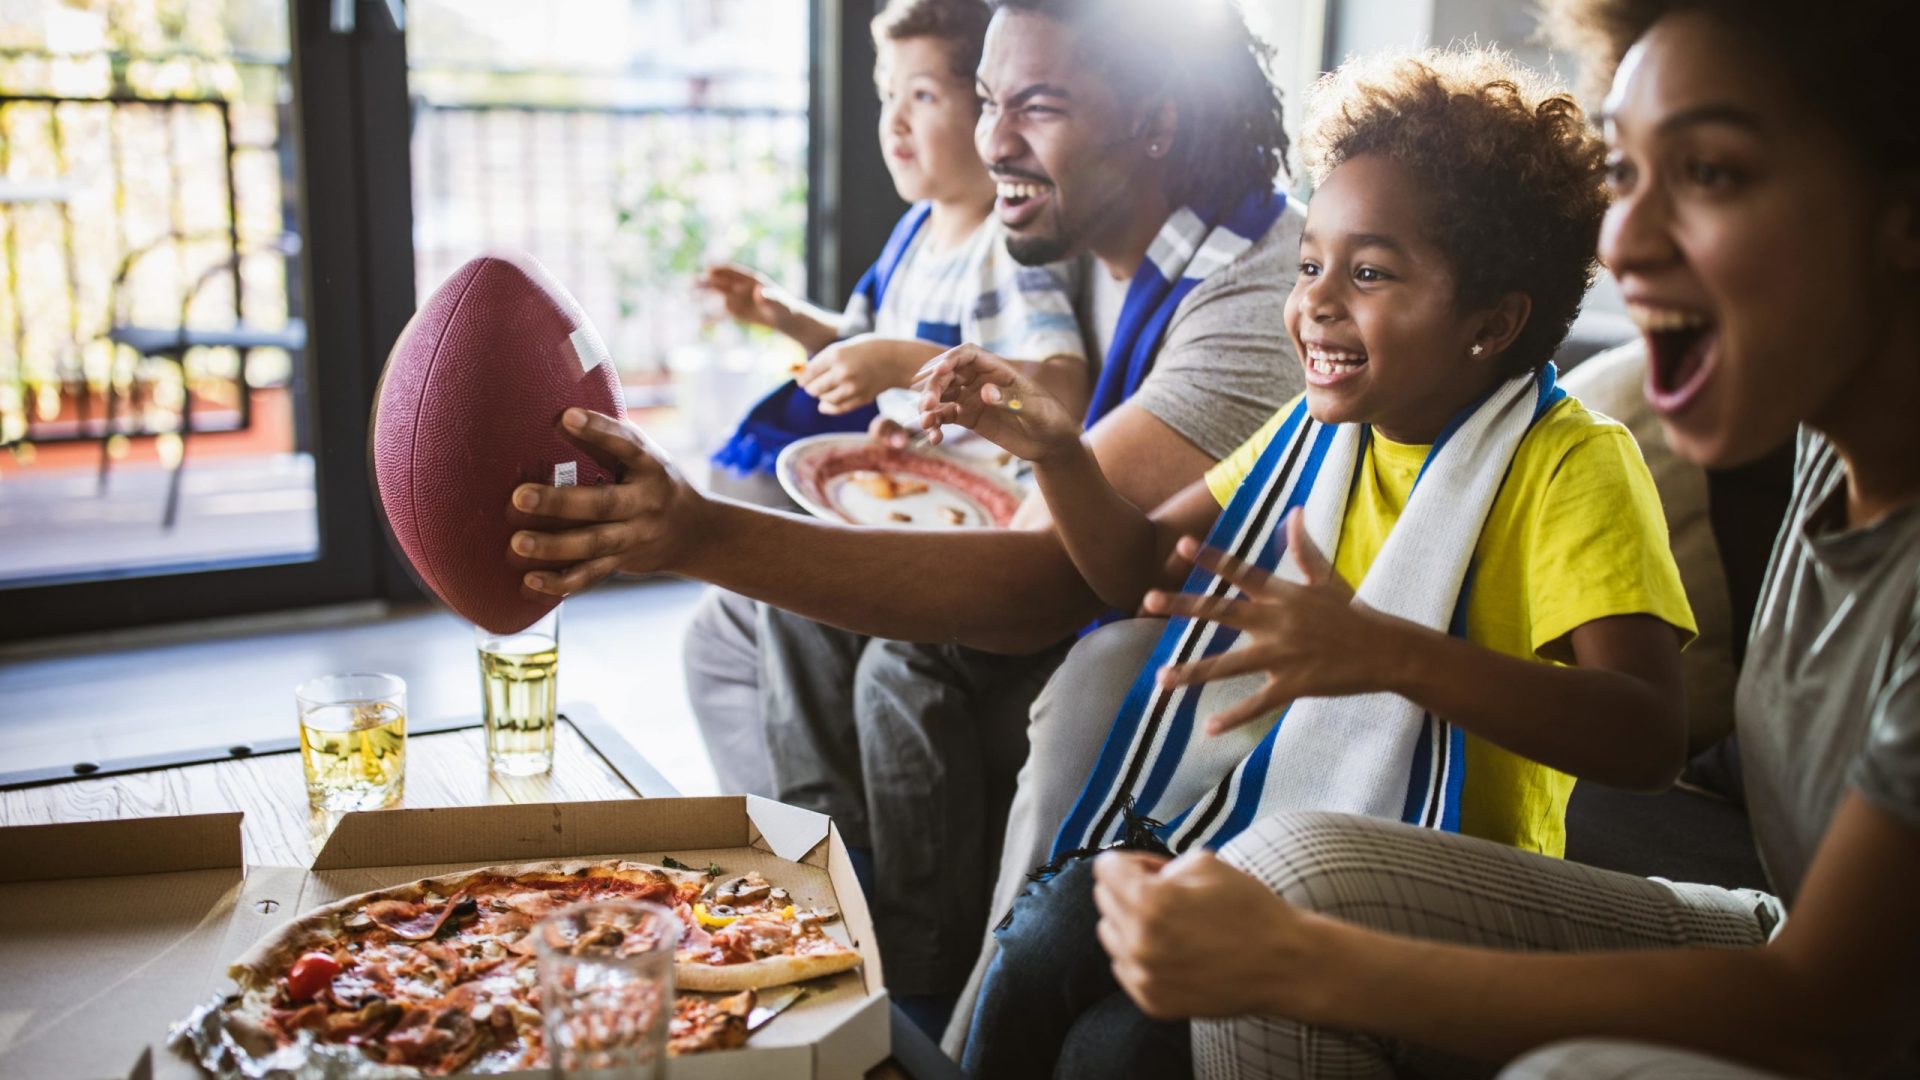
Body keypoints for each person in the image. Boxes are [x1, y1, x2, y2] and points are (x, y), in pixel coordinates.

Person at [1091, 2, 1920, 1078]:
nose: (1623, 240)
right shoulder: (1831, 446)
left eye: (1712, 172)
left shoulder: (1577, 457)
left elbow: (1832, 1012)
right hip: (1775, 921)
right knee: (1263, 872)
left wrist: (1302, 963)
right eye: (1626, 175)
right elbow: (1136, 571)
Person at [511, 0, 1308, 1034]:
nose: (993, 141)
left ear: (1154, 123)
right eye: (984, 101)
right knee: (730, 633)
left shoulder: (1248, 297)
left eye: (1040, 105)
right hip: (1052, 559)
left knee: (906, 663)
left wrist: (695, 532)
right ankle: (823, 911)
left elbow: (1043, 583)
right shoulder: (1074, 232)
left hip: (1151, 629)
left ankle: (919, 993)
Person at [925, 44, 1696, 1076]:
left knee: (1120, 1049)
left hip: (1444, 881)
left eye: (1369, 272)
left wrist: (1387, 652)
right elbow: (1142, 573)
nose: (1317, 302)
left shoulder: (1574, 467)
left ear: (1493, 323)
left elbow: (1647, 738)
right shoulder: (1316, 430)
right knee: (1055, 925)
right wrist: (1059, 454)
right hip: (1265, 822)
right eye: (1309, 264)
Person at [700, 0, 1088, 489]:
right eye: (888, 94)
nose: (895, 120)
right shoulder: (915, 230)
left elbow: (1064, 394)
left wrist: (899, 363)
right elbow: (865, 341)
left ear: (986, 109)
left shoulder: (1014, 246)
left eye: (923, 96)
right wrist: (785, 316)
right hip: (910, 474)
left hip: (986, 496)